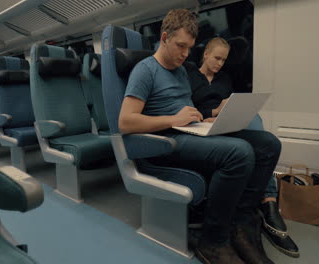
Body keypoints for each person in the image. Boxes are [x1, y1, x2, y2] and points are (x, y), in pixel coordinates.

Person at [119, 9, 280, 264]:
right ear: (164, 38)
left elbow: (185, 109)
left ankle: (239, 222)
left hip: (191, 132)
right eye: (180, 46)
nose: (185, 54)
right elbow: (125, 122)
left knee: (269, 144)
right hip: (165, 143)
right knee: (239, 153)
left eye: (189, 48)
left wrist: (206, 118)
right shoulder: (145, 70)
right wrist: (173, 120)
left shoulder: (181, 70)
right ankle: (213, 240)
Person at [187, 37, 299, 258]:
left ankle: (251, 212)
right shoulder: (189, 77)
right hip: (201, 125)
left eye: (224, 60)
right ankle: (267, 202)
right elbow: (187, 108)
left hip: (225, 124)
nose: (220, 63)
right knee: (250, 145)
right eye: (217, 58)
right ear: (206, 54)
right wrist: (212, 113)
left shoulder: (225, 79)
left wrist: (231, 113)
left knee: (264, 134)